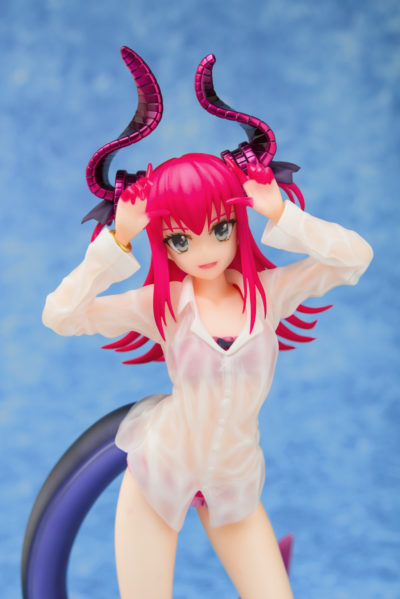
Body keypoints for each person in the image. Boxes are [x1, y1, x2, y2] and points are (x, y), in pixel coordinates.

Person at [42, 150, 373, 599]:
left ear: (238, 223)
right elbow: (61, 316)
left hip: (233, 478)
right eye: (181, 239)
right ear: (163, 241)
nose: (203, 252)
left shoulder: (267, 296)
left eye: (220, 229)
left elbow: (354, 258)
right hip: (161, 471)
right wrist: (118, 240)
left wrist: (281, 214)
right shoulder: (163, 306)